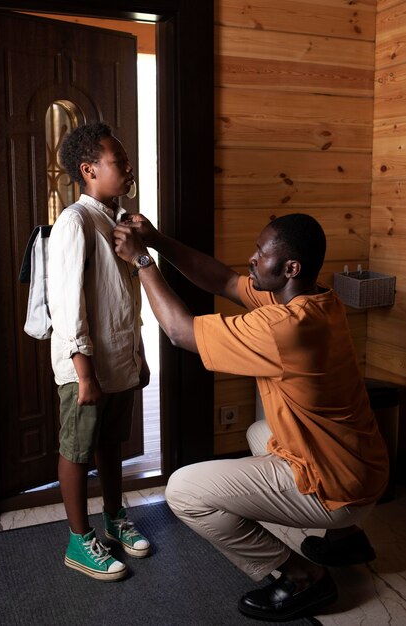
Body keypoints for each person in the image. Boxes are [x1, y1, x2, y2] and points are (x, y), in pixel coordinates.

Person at [113, 212, 389, 620]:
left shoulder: (284, 327)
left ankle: (303, 576)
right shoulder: (317, 298)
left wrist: (142, 261)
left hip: (340, 490)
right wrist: (157, 240)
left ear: (290, 268)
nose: (252, 258)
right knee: (263, 431)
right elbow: (224, 280)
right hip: (365, 470)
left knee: (184, 491)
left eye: (262, 253)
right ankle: (344, 540)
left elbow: (179, 331)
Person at [48, 122, 151, 582]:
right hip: (85, 368)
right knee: (77, 448)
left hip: (119, 362)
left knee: (112, 443)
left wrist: (139, 355)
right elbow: (68, 308)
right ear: (89, 170)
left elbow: (125, 301)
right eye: (119, 163)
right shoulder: (76, 221)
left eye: (128, 163)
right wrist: (84, 374)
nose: (128, 170)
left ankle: (114, 519)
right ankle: (78, 539)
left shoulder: (121, 222)